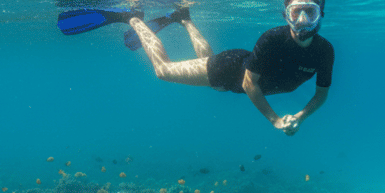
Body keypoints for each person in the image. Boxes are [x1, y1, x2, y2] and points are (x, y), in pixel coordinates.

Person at [128, 0, 334, 136]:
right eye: (296, 12)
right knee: (163, 70)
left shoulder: (324, 51)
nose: (303, 20)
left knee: (207, 60)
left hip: (233, 75)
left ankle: (184, 18)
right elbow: (249, 83)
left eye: (310, 12)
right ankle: (134, 17)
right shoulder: (272, 39)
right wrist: (276, 121)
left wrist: (299, 117)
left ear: (321, 14)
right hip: (228, 70)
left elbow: (321, 94)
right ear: (286, 15)